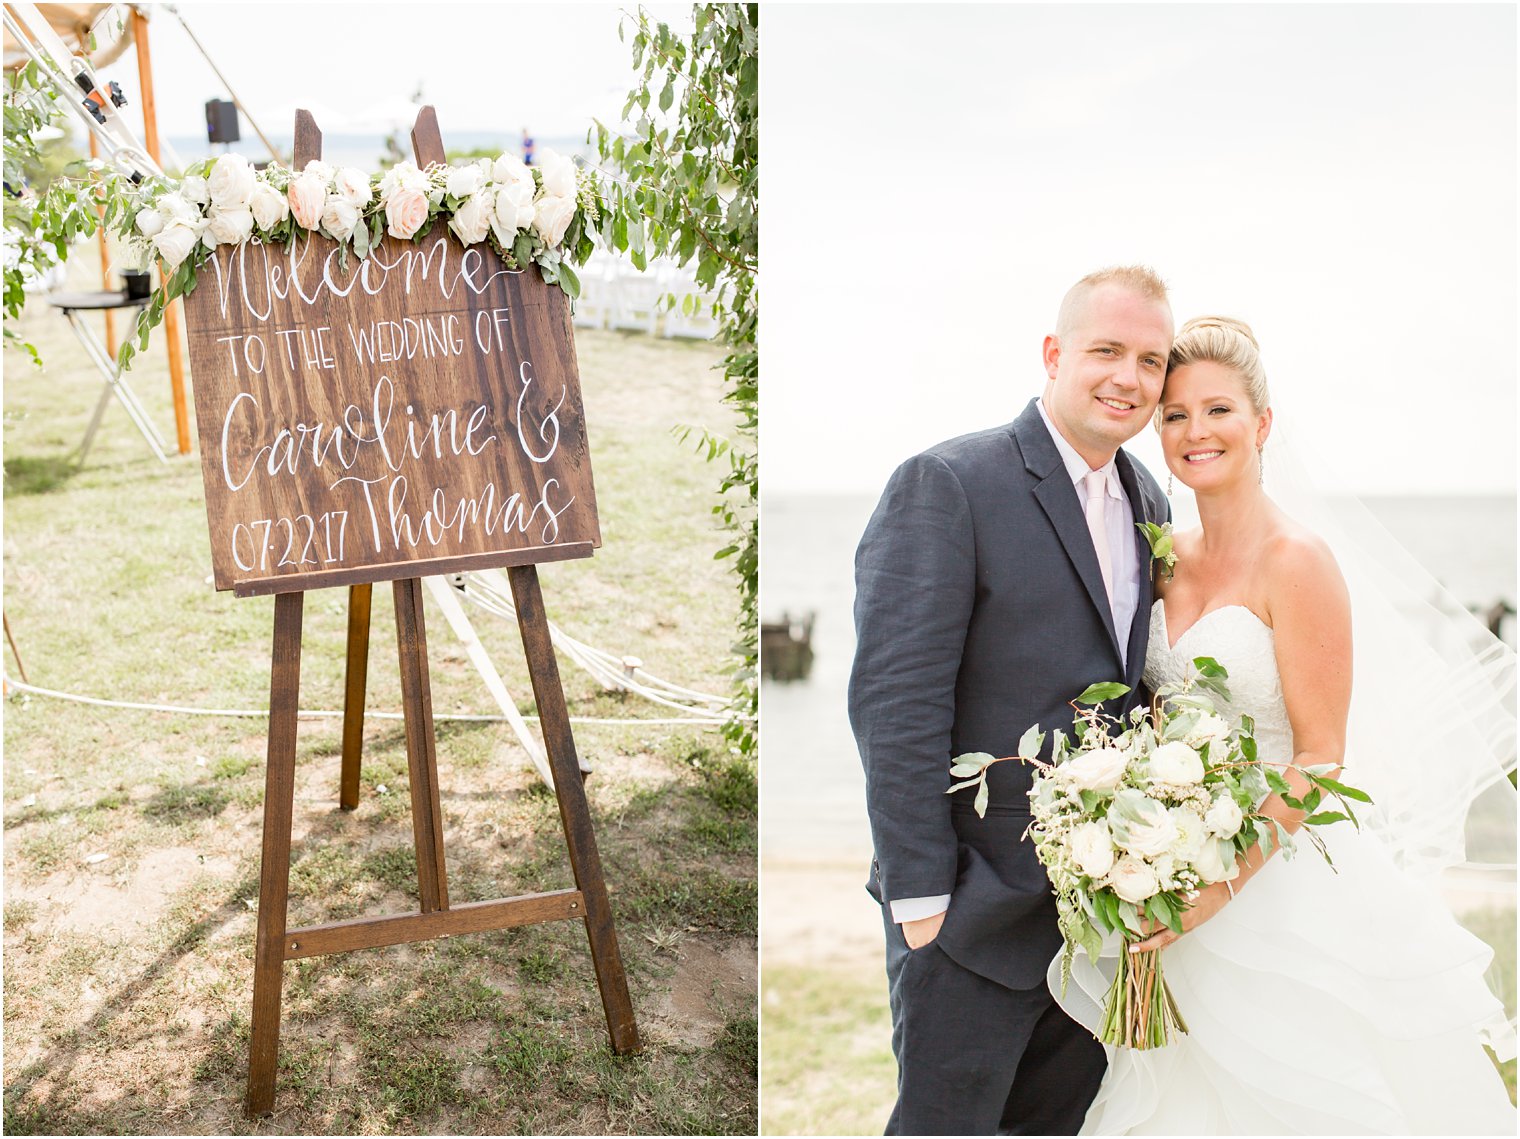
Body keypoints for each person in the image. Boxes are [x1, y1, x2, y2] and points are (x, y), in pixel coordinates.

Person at [1057, 315, 1516, 1134]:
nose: (1196, 431)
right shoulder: (1164, 556)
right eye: (1175, 414)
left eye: (1219, 410)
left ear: (1262, 424)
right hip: (1173, 881)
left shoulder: (1298, 561)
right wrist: (1141, 848)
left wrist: (1215, 890)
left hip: (1280, 885)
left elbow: (1321, 756)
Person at [848, 265, 1175, 1135]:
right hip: (968, 916)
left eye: (1151, 360)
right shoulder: (949, 481)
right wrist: (923, 903)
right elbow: (895, 698)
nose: (1128, 378)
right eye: (1107, 350)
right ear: (1053, 352)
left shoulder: (1150, 498)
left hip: (1089, 928)